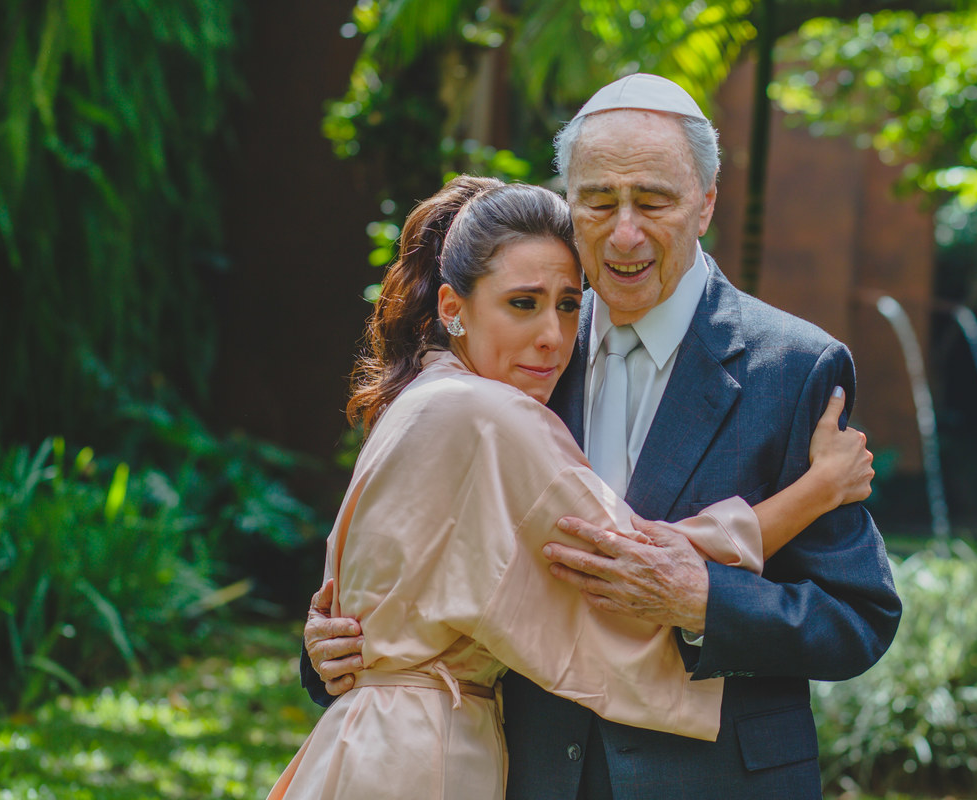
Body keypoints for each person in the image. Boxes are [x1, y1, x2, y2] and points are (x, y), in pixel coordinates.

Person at [304, 75, 902, 799]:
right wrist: (335, 648)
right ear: (569, 202)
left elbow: (858, 616)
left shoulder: (794, 366)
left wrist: (707, 604)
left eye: (652, 201)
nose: (624, 233)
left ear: (706, 203)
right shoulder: (520, 354)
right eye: (597, 201)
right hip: (525, 777)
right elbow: (414, 568)